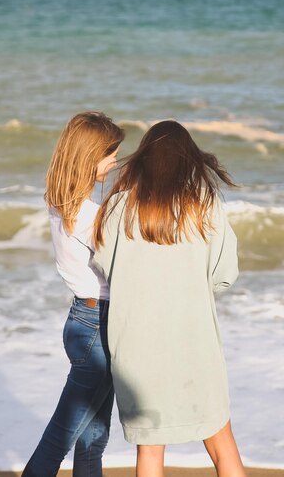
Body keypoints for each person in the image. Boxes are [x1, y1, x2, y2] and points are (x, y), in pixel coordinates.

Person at [93, 120, 247, 477]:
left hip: (138, 348)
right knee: (222, 443)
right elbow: (225, 275)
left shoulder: (117, 207)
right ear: (188, 161)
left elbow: (104, 266)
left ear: (143, 159)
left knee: (150, 450)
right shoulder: (205, 205)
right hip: (194, 344)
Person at [22, 111, 124, 477]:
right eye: (110, 153)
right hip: (97, 326)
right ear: (90, 155)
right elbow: (120, 266)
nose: (114, 162)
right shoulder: (89, 214)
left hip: (87, 321)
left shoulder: (61, 203)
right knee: (58, 443)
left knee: (92, 440)